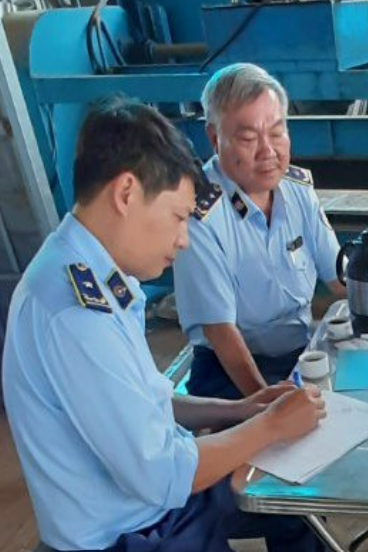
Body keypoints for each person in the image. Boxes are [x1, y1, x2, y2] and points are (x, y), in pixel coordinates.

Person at [2, 97, 327, 552]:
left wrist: (239, 410)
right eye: (177, 217)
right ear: (126, 193)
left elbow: (148, 403)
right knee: (286, 485)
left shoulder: (91, 272)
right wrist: (270, 425)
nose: (183, 239)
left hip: (156, 511)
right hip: (132, 535)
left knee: (295, 504)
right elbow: (163, 474)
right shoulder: (75, 314)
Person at [174, 62, 345, 400]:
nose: (268, 151)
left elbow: (340, 279)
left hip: (300, 352)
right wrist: (268, 406)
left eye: (277, 133)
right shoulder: (199, 214)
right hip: (230, 371)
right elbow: (221, 332)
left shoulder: (298, 191)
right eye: (249, 138)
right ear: (214, 138)